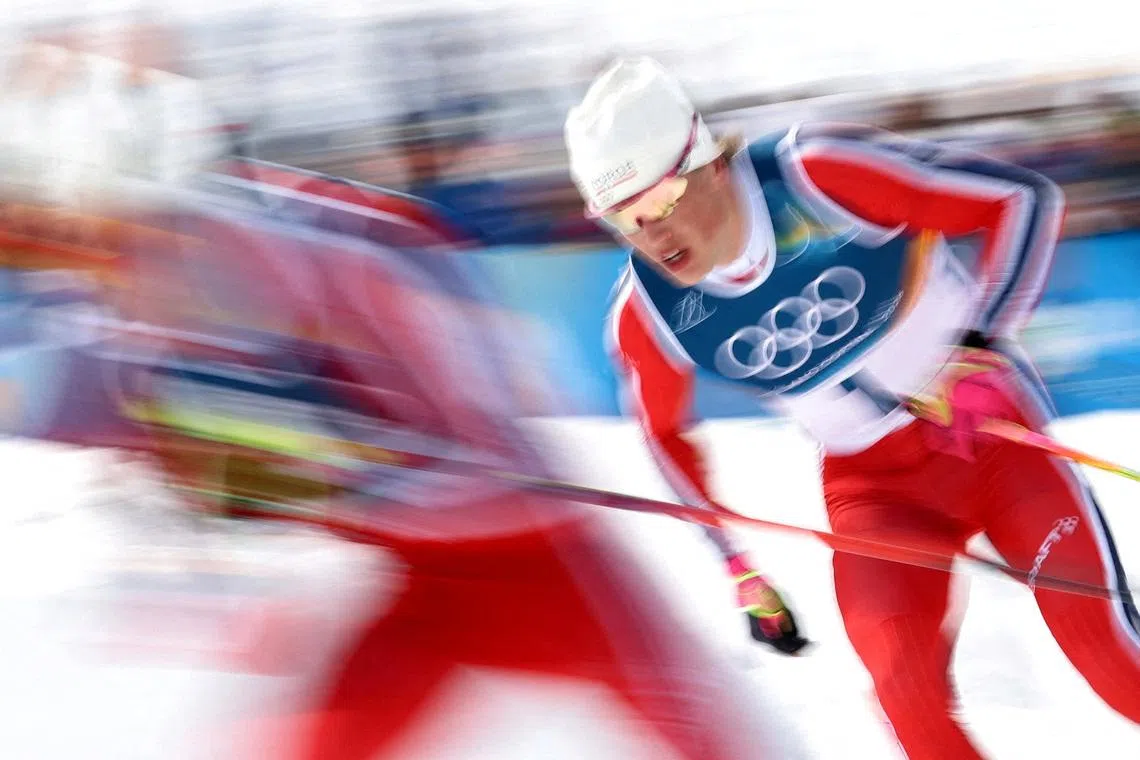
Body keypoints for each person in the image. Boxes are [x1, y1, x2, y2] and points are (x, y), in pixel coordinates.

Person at [563, 57, 1140, 760]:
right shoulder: (648, 313)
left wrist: (981, 346)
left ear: (707, 162)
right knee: (905, 697)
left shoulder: (816, 175)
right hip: (876, 489)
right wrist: (738, 569)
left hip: (987, 439)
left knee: (1111, 663)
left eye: (656, 202)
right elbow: (662, 436)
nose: (648, 235)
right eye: (621, 220)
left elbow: (1021, 201)